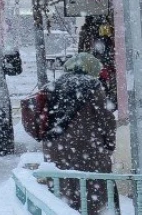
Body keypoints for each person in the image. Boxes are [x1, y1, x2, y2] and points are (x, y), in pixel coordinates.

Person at [44, 52, 116, 214]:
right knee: (91, 198)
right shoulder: (93, 86)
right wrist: (109, 145)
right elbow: (106, 119)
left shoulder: (53, 86)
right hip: (88, 150)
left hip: (56, 152)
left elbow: (45, 119)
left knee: (62, 200)